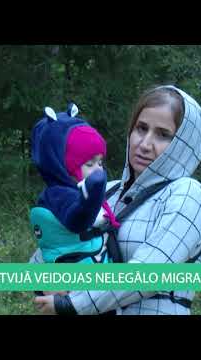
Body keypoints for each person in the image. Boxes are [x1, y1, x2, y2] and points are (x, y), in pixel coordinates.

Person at [34, 85, 201, 315]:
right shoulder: (106, 191)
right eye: (141, 128)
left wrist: (74, 304)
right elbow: (50, 246)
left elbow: (149, 273)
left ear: (183, 145)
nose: (145, 144)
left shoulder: (187, 194)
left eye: (163, 135)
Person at [29, 103, 120, 269]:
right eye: (89, 164)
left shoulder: (70, 189)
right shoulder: (59, 195)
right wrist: (93, 196)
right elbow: (77, 220)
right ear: (62, 165)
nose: (99, 170)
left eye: (100, 162)